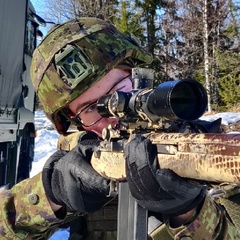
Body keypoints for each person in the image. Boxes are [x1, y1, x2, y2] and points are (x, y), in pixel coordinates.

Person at [0, 17, 239, 240]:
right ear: (73, 119)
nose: (114, 114)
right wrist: (50, 195)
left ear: (140, 77)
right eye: (92, 108)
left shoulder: (215, 150)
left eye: (120, 90)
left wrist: (190, 213)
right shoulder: (83, 160)